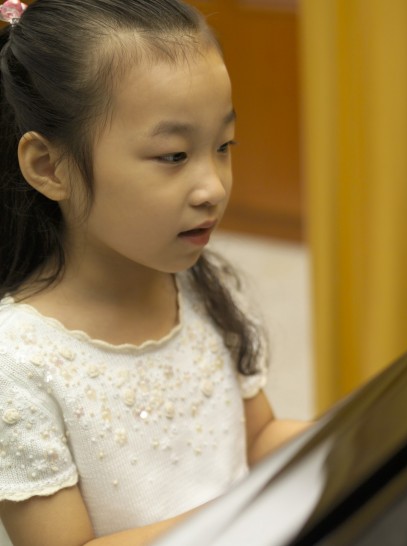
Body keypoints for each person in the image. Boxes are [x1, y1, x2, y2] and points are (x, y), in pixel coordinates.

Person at [0, 0, 309, 544]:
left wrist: (353, 437)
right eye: (173, 156)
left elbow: (257, 436)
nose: (213, 187)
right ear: (50, 167)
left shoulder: (202, 285)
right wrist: (243, 515)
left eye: (223, 146)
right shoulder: (18, 364)